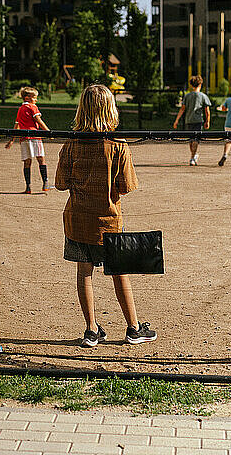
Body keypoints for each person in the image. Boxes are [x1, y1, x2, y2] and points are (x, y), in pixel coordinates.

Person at [55, 84, 157, 347]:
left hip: (78, 222)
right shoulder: (118, 145)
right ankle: (133, 328)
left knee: (84, 274)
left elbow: (60, 183)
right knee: (120, 273)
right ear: (110, 109)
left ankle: (91, 329)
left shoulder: (71, 143)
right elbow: (127, 186)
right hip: (109, 222)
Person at [5, 86, 53, 193]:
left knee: (27, 162)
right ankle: (45, 183)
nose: (36, 100)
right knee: (41, 160)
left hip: (23, 138)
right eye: (34, 97)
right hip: (35, 136)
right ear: (27, 98)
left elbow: (16, 125)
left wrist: (12, 140)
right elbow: (38, 120)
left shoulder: (20, 109)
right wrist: (48, 132)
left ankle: (28, 187)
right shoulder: (33, 107)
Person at [173, 75, 211, 166]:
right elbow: (207, 111)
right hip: (198, 120)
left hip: (188, 120)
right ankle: (193, 157)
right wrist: (207, 121)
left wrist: (176, 120)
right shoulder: (203, 96)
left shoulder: (187, 96)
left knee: (191, 140)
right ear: (200, 84)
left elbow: (182, 109)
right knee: (195, 140)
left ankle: (193, 156)